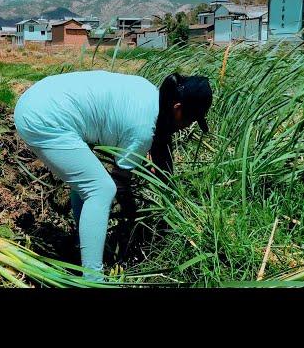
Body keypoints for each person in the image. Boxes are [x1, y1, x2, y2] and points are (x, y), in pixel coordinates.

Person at [13, 70, 212, 281]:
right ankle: (93, 278)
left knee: (88, 182)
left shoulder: (149, 92)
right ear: (177, 109)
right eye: (190, 120)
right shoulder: (144, 130)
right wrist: (130, 222)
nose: (187, 127)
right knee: (101, 189)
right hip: (44, 118)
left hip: (42, 97)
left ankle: (86, 241)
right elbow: (121, 182)